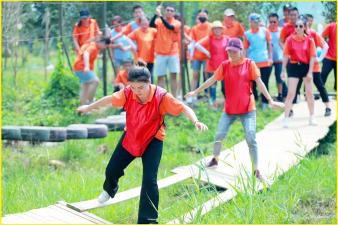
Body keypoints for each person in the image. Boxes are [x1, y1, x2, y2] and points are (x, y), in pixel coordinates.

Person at [77, 66, 208, 224]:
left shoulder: (162, 96)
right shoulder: (127, 92)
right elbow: (109, 100)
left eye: (140, 87)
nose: (137, 91)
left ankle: (148, 221)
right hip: (132, 135)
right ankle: (110, 189)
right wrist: (88, 107)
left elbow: (183, 107)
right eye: (133, 87)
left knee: (149, 180)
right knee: (112, 168)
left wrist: (196, 121)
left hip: (153, 139)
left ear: (149, 83)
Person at [185, 38, 283, 180]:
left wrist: (270, 100)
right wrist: (196, 91)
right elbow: (211, 80)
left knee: (251, 137)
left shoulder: (249, 64)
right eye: (229, 51)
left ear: (241, 51)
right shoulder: (225, 66)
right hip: (229, 110)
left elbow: (259, 83)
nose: (231, 53)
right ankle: (215, 159)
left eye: (234, 51)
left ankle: (256, 170)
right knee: (219, 134)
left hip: (248, 109)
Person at [291, 16, 331, 117]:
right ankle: (290, 109)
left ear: (306, 25)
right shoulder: (295, 35)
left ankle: (327, 107)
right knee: (296, 87)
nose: (299, 27)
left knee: (320, 86)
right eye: (298, 25)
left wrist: (320, 58)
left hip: (314, 67)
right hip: (300, 66)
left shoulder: (313, 34)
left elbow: (325, 46)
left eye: (302, 25)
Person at [281, 17, 317, 127]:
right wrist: (283, 70)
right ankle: (286, 118)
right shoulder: (290, 40)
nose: (298, 28)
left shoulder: (310, 40)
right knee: (291, 93)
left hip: (306, 67)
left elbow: (312, 57)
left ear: (305, 27)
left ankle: (312, 117)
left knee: (309, 93)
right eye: (296, 26)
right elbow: (286, 55)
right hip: (293, 67)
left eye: (301, 26)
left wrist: (310, 72)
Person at [194, 21, 230, 105]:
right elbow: (197, 45)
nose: (217, 30)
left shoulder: (227, 38)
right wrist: (206, 52)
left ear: (222, 29)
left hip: (224, 66)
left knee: (225, 86)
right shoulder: (209, 38)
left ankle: (228, 102)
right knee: (213, 86)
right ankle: (212, 102)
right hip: (212, 66)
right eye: (215, 29)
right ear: (212, 30)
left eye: (219, 28)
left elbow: (234, 46)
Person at [150, 4, 181, 97]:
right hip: (160, 53)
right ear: (165, 11)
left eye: (171, 10)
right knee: (160, 77)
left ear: (174, 13)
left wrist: (160, 16)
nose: (169, 12)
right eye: (168, 10)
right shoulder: (159, 21)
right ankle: (161, 98)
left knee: (174, 76)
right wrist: (156, 14)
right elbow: (151, 25)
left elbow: (170, 27)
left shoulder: (177, 23)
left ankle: (174, 98)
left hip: (173, 53)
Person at [244, 13, 273, 110]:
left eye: (257, 21)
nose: (255, 23)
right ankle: (255, 101)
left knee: (264, 82)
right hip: (252, 62)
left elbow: (269, 45)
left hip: (265, 61)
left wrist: (270, 58)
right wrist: (244, 61)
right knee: (252, 83)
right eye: (253, 22)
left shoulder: (265, 31)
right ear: (250, 22)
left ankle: (265, 103)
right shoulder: (247, 34)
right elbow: (245, 49)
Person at [73, 38, 111, 105]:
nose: (105, 48)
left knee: (85, 87)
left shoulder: (94, 46)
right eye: (105, 46)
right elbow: (86, 53)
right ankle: (90, 101)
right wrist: (87, 66)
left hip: (78, 67)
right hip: (81, 68)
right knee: (95, 81)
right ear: (102, 43)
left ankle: (83, 107)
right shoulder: (93, 47)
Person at [189, 9, 212, 101]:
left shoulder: (211, 27)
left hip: (207, 56)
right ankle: (193, 95)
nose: (202, 16)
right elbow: (193, 42)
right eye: (200, 15)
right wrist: (191, 55)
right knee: (195, 75)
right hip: (196, 56)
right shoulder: (194, 28)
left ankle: (207, 95)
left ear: (207, 16)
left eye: (204, 15)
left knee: (207, 76)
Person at [128, 16, 157, 82]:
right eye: (143, 22)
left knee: (150, 77)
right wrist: (133, 45)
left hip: (150, 58)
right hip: (140, 59)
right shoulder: (137, 32)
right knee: (140, 78)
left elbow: (161, 35)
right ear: (140, 23)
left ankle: (151, 91)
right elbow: (127, 38)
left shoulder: (153, 31)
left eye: (146, 22)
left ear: (148, 22)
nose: (144, 23)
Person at [268, 13, 288, 102]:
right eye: (270, 22)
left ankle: (281, 95)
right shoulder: (266, 31)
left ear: (278, 21)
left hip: (280, 58)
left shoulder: (281, 30)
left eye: (274, 22)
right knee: (265, 77)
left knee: (279, 78)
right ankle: (266, 97)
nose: (272, 24)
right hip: (268, 59)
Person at [321, 22, 336, 91]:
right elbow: (321, 37)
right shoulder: (331, 26)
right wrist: (325, 46)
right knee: (323, 75)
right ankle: (320, 92)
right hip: (328, 57)